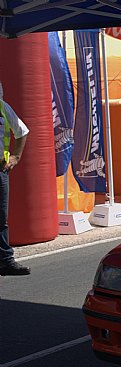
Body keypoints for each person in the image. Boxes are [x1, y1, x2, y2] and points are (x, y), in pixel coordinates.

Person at [0, 81, 31, 276]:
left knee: (1, 218)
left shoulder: (3, 107)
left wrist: (16, 157)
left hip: (0, 169)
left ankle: (5, 260)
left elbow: (22, 131)